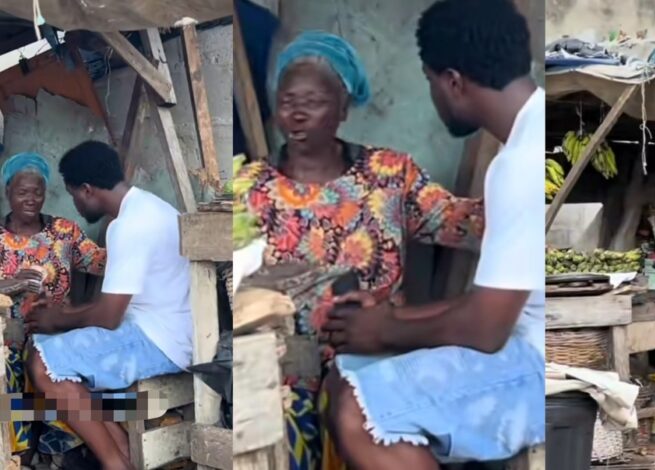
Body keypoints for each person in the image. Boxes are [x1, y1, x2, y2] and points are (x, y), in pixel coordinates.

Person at [233, 29, 485, 470]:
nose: (296, 113)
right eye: (288, 100)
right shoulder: (249, 188)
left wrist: (519, 175)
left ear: (344, 106)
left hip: (371, 367)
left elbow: (462, 223)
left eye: (313, 101)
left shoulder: (388, 175)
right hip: (276, 375)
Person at [321, 0, 544, 468]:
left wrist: (386, 329)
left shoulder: (517, 165)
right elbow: (498, 302)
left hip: (536, 363)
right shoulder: (529, 138)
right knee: (347, 377)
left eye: (429, 81)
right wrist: (387, 322)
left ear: (454, 81)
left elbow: (486, 327)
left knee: (355, 410)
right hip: (522, 339)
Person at [23, 141, 192, 470]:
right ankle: (124, 453)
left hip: (159, 339)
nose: (75, 204)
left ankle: (115, 463)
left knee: (40, 364)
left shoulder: (127, 226)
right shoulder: (151, 207)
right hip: (168, 329)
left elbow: (108, 317)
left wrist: (58, 318)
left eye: (73, 195)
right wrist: (60, 318)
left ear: (86, 190)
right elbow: (111, 307)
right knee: (46, 347)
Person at [0, 153, 106, 464]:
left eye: (37, 191)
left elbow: (100, 261)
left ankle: (56, 451)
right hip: (7, 339)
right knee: (8, 367)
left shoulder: (64, 232)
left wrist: (130, 233)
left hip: (54, 332)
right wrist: (13, 283)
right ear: (8, 192)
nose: (31, 199)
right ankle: (18, 454)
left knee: (54, 361)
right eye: (22, 192)